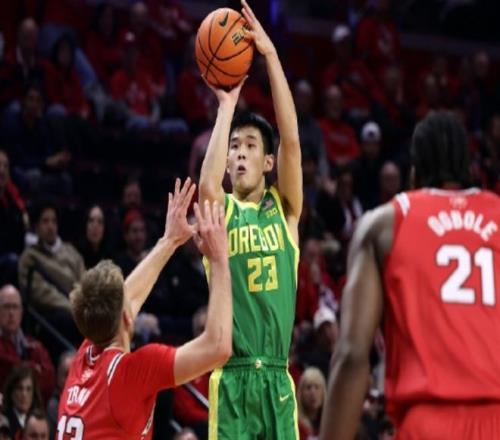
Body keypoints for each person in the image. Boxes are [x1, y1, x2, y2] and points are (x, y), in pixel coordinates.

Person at [320, 111, 500, 439]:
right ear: (469, 167)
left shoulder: (384, 223)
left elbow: (352, 355)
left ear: (413, 172)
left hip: (428, 421)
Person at [57, 178, 232, 439]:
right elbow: (218, 347)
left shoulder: (82, 360)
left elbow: (124, 298)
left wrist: (169, 240)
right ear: (128, 318)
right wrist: (219, 259)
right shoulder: (130, 372)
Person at [198, 1, 302, 438]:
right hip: (233, 378)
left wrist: (271, 56)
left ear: (268, 162)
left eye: (250, 146)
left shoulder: (286, 210)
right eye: (234, 147)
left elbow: (292, 141)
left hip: (277, 380)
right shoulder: (222, 212)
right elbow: (206, 188)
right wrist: (227, 106)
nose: (240, 153)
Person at [0, 285, 55, 403]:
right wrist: (34, 368)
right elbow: (4, 368)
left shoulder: (34, 345)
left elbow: (49, 380)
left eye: (15, 307)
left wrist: (18, 367)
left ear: (21, 312)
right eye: (6, 307)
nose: (11, 313)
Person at [2, 366, 44, 438]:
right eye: (19, 388)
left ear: (33, 393)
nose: (24, 394)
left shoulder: (40, 421)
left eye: (28, 389)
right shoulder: (4, 422)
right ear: (11, 391)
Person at [298, 367, 327, 440]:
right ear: (301, 394)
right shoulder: (295, 425)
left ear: (323, 392)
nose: (313, 393)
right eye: (308, 387)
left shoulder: (329, 423)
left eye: (317, 387)